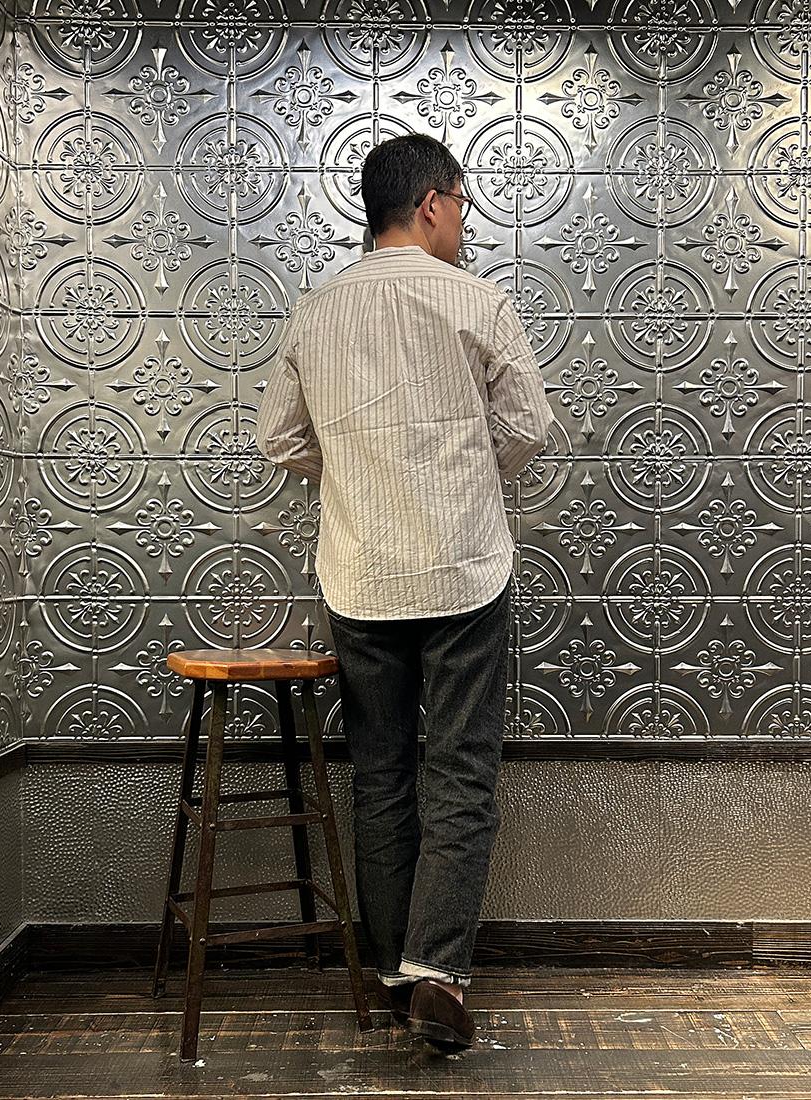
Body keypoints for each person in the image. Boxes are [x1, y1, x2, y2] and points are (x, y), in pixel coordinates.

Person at [255, 133, 554, 1051]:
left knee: (381, 775)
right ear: (431, 204)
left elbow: (279, 440)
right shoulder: (476, 300)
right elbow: (529, 426)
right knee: (459, 771)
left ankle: (395, 974)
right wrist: (458, 477)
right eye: (461, 204)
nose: (464, 222)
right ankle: (438, 972)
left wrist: (357, 479)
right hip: (464, 567)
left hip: (361, 573)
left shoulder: (315, 311)